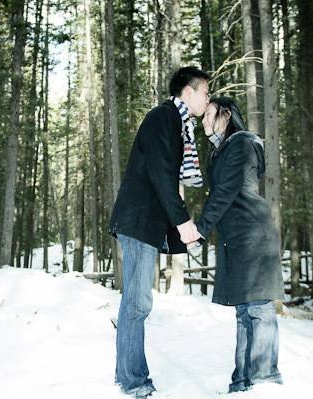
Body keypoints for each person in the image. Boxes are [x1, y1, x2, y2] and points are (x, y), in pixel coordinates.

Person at [108, 66, 210, 398]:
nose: (208, 99)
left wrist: (179, 224)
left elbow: (167, 175)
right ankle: (132, 382)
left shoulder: (179, 124)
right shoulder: (163, 118)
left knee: (139, 302)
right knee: (137, 302)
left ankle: (130, 378)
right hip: (138, 221)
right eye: (205, 93)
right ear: (189, 91)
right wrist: (182, 222)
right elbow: (160, 172)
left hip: (146, 224)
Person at [190, 97, 284, 393]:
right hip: (237, 239)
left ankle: (265, 380)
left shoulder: (242, 143)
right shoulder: (220, 151)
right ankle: (242, 382)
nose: (202, 122)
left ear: (227, 115)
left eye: (208, 116)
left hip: (254, 237)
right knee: (244, 314)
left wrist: (200, 230)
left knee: (259, 311)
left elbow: (227, 191)